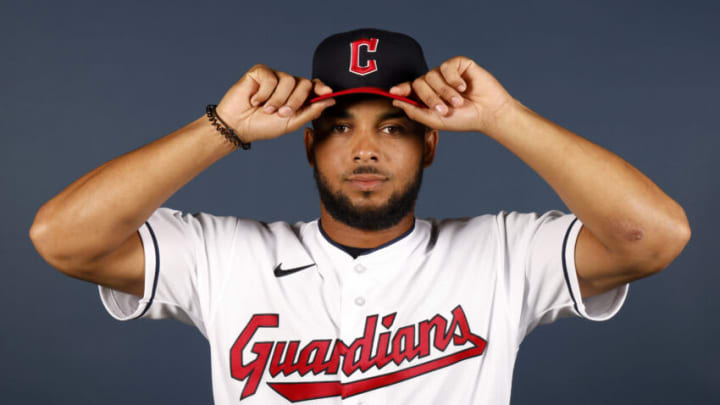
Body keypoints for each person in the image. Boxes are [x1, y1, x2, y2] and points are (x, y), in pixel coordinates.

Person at [29, 28, 690, 404]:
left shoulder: (505, 254)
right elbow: (62, 237)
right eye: (341, 126)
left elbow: (652, 236)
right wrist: (223, 126)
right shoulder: (222, 256)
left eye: (394, 127)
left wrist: (502, 117)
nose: (367, 149)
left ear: (430, 141)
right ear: (309, 141)